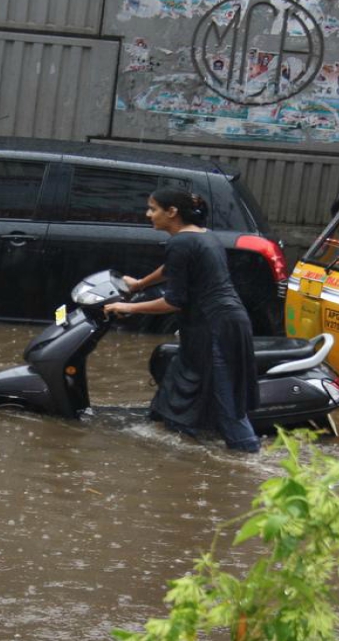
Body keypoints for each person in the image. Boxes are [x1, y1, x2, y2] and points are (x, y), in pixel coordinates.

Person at [104, 187, 260, 453]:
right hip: (226, 322)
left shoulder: (180, 242)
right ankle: (176, 445)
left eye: (153, 209)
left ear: (172, 212)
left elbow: (172, 303)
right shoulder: (204, 237)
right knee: (177, 377)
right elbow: (173, 269)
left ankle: (248, 456)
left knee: (227, 401)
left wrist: (128, 308)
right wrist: (139, 284)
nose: (148, 214)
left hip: (215, 328)